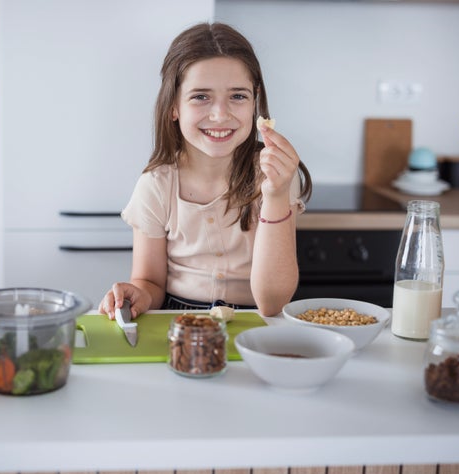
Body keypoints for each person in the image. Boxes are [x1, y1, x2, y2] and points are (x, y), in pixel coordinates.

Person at [99, 22, 312, 319]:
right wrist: (140, 294)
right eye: (201, 96)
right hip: (176, 319)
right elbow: (150, 282)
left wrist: (275, 196)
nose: (220, 115)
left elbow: (273, 302)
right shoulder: (157, 184)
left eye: (238, 96)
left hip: (255, 318)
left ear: (254, 101)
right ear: (174, 106)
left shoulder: (274, 177)